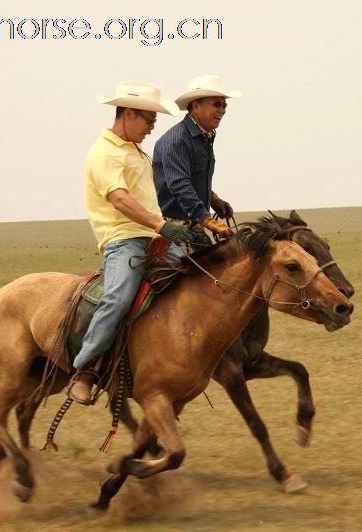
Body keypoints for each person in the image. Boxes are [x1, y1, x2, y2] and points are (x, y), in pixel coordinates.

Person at [69, 81, 190, 405]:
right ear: (130, 114)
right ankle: (85, 370)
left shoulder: (136, 152)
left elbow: (148, 199)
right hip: (123, 240)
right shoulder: (104, 152)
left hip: (154, 237)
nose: (152, 128)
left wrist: (176, 224)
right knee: (119, 297)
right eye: (149, 120)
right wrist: (161, 225)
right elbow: (120, 200)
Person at [153, 75, 242, 253]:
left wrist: (213, 198)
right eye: (216, 104)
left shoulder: (203, 137)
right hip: (172, 228)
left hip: (193, 225)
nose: (222, 110)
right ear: (196, 106)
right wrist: (206, 218)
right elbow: (179, 184)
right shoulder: (177, 141)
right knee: (181, 276)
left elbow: (193, 177)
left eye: (224, 105)